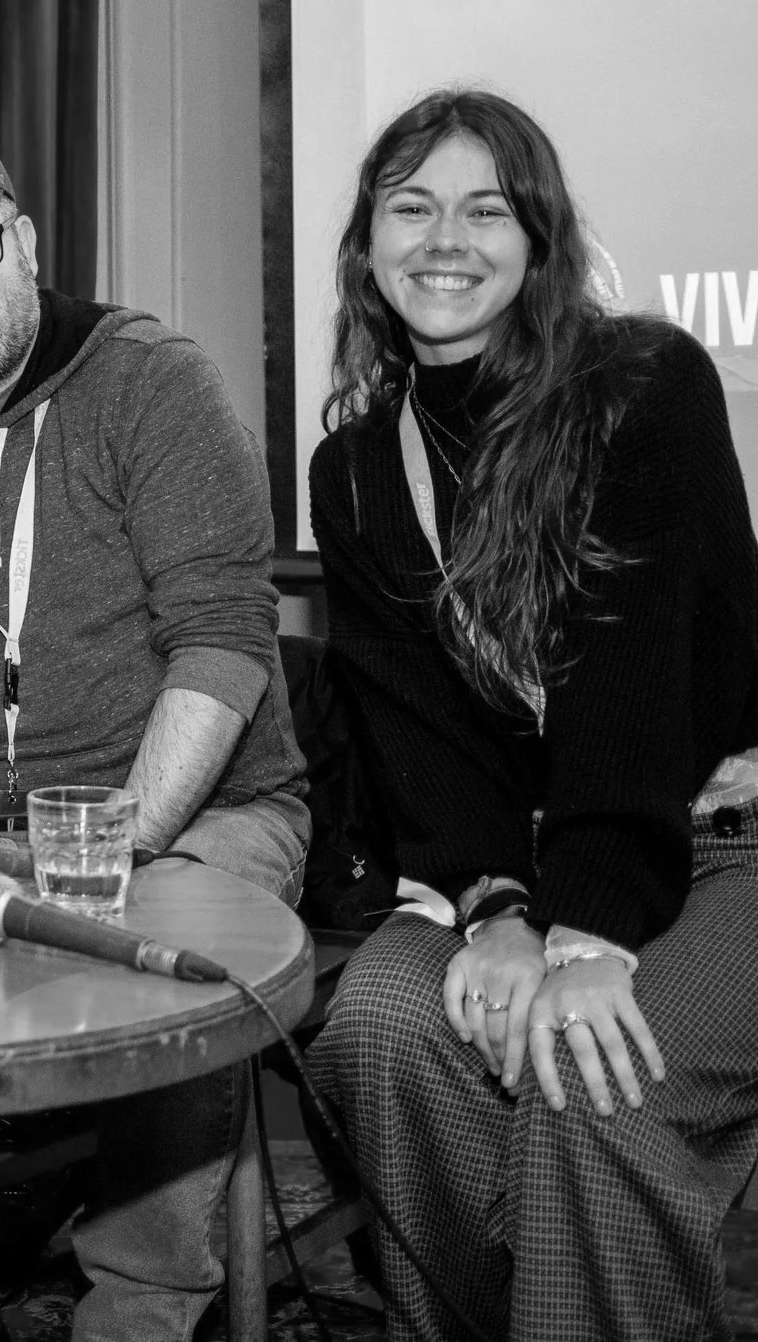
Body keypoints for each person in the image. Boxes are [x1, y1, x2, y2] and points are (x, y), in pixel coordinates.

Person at [0, 111, 309, 1340]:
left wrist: (109, 840)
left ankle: (139, 1299)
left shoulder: (153, 384)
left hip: (199, 813)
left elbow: (222, 637)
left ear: (22, 241)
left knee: (173, 916)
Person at [304, 90, 758, 1341]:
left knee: (588, 1065)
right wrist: (498, 906)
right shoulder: (352, 468)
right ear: (367, 244)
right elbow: (416, 734)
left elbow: (636, 683)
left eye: (484, 209)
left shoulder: (642, 383)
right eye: (411, 206)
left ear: (538, 240)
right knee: (386, 1021)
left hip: (719, 835)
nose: (443, 239)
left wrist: (582, 935)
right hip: (525, 858)